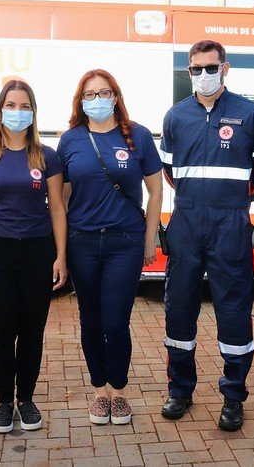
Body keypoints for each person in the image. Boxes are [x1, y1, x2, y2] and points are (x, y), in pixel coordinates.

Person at [159, 40, 254, 431]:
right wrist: (195, 201)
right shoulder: (176, 116)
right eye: (197, 69)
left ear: (225, 68)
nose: (204, 75)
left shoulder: (252, 114)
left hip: (231, 223)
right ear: (189, 71)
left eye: (211, 67)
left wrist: (236, 201)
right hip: (187, 222)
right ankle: (180, 390)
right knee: (178, 308)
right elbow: (169, 170)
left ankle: (233, 395)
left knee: (233, 311)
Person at [57, 69, 163, 426]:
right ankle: (100, 391)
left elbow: (156, 191)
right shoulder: (71, 140)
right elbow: (63, 197)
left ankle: (119, 390)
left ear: (116, 97)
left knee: (116, 322)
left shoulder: (139, 136)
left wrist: (150, 239)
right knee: (91, 320)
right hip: (82, 242)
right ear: (81, 101)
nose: (98, 100)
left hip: (125, 242)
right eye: (90, 95)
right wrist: (60, 249)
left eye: (104, 93)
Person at [0, 79, 67, 434]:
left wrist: (61, 256)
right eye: (11, 105)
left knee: (32, 331)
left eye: (25, 106)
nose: (18, 112)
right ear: (0, 110)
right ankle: (5, 401)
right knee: (1, 332)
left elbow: (57, 209)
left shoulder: (46, 155)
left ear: (34, 112)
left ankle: (27, 398)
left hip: (38, 252)